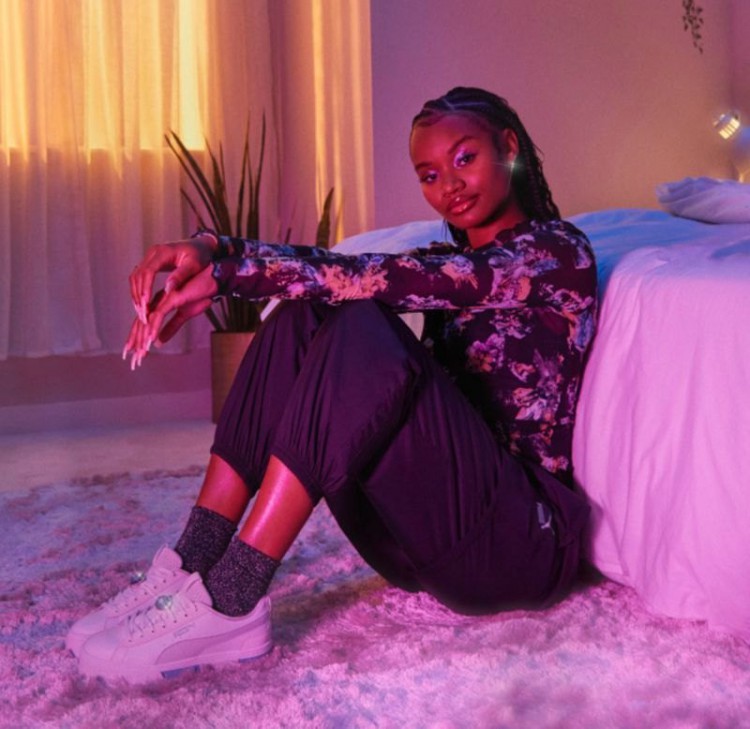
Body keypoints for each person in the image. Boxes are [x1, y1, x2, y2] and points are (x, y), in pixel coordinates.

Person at [68, 87, 598, 684]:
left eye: (464, 158)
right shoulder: (457, 260)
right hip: (419, 544)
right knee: (307, 311)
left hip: (520, 548)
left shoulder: (556, 254)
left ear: (509, 146)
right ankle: (193, 560)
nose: (449, 185)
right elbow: (345, 274)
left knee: (360, 318)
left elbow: (379, 278)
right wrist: (212, 247)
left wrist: (229, 273)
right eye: (429, 175)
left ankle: (232, 597)